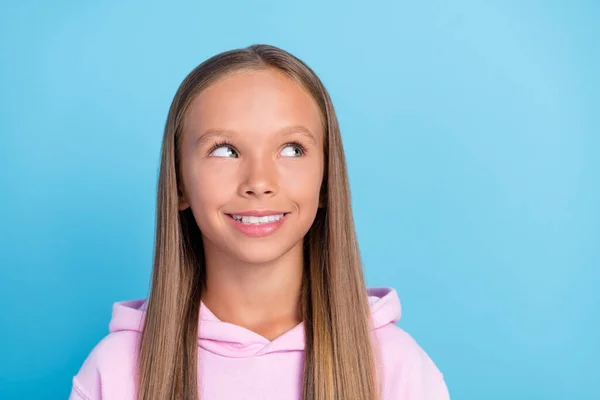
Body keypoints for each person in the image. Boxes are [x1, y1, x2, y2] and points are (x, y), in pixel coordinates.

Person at [69, 44, 450, 400]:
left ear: (325, 181)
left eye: (291, 149)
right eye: (224, 150)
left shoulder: (398, 369)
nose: (259, 183)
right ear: (180, 183)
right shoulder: (115, 371)